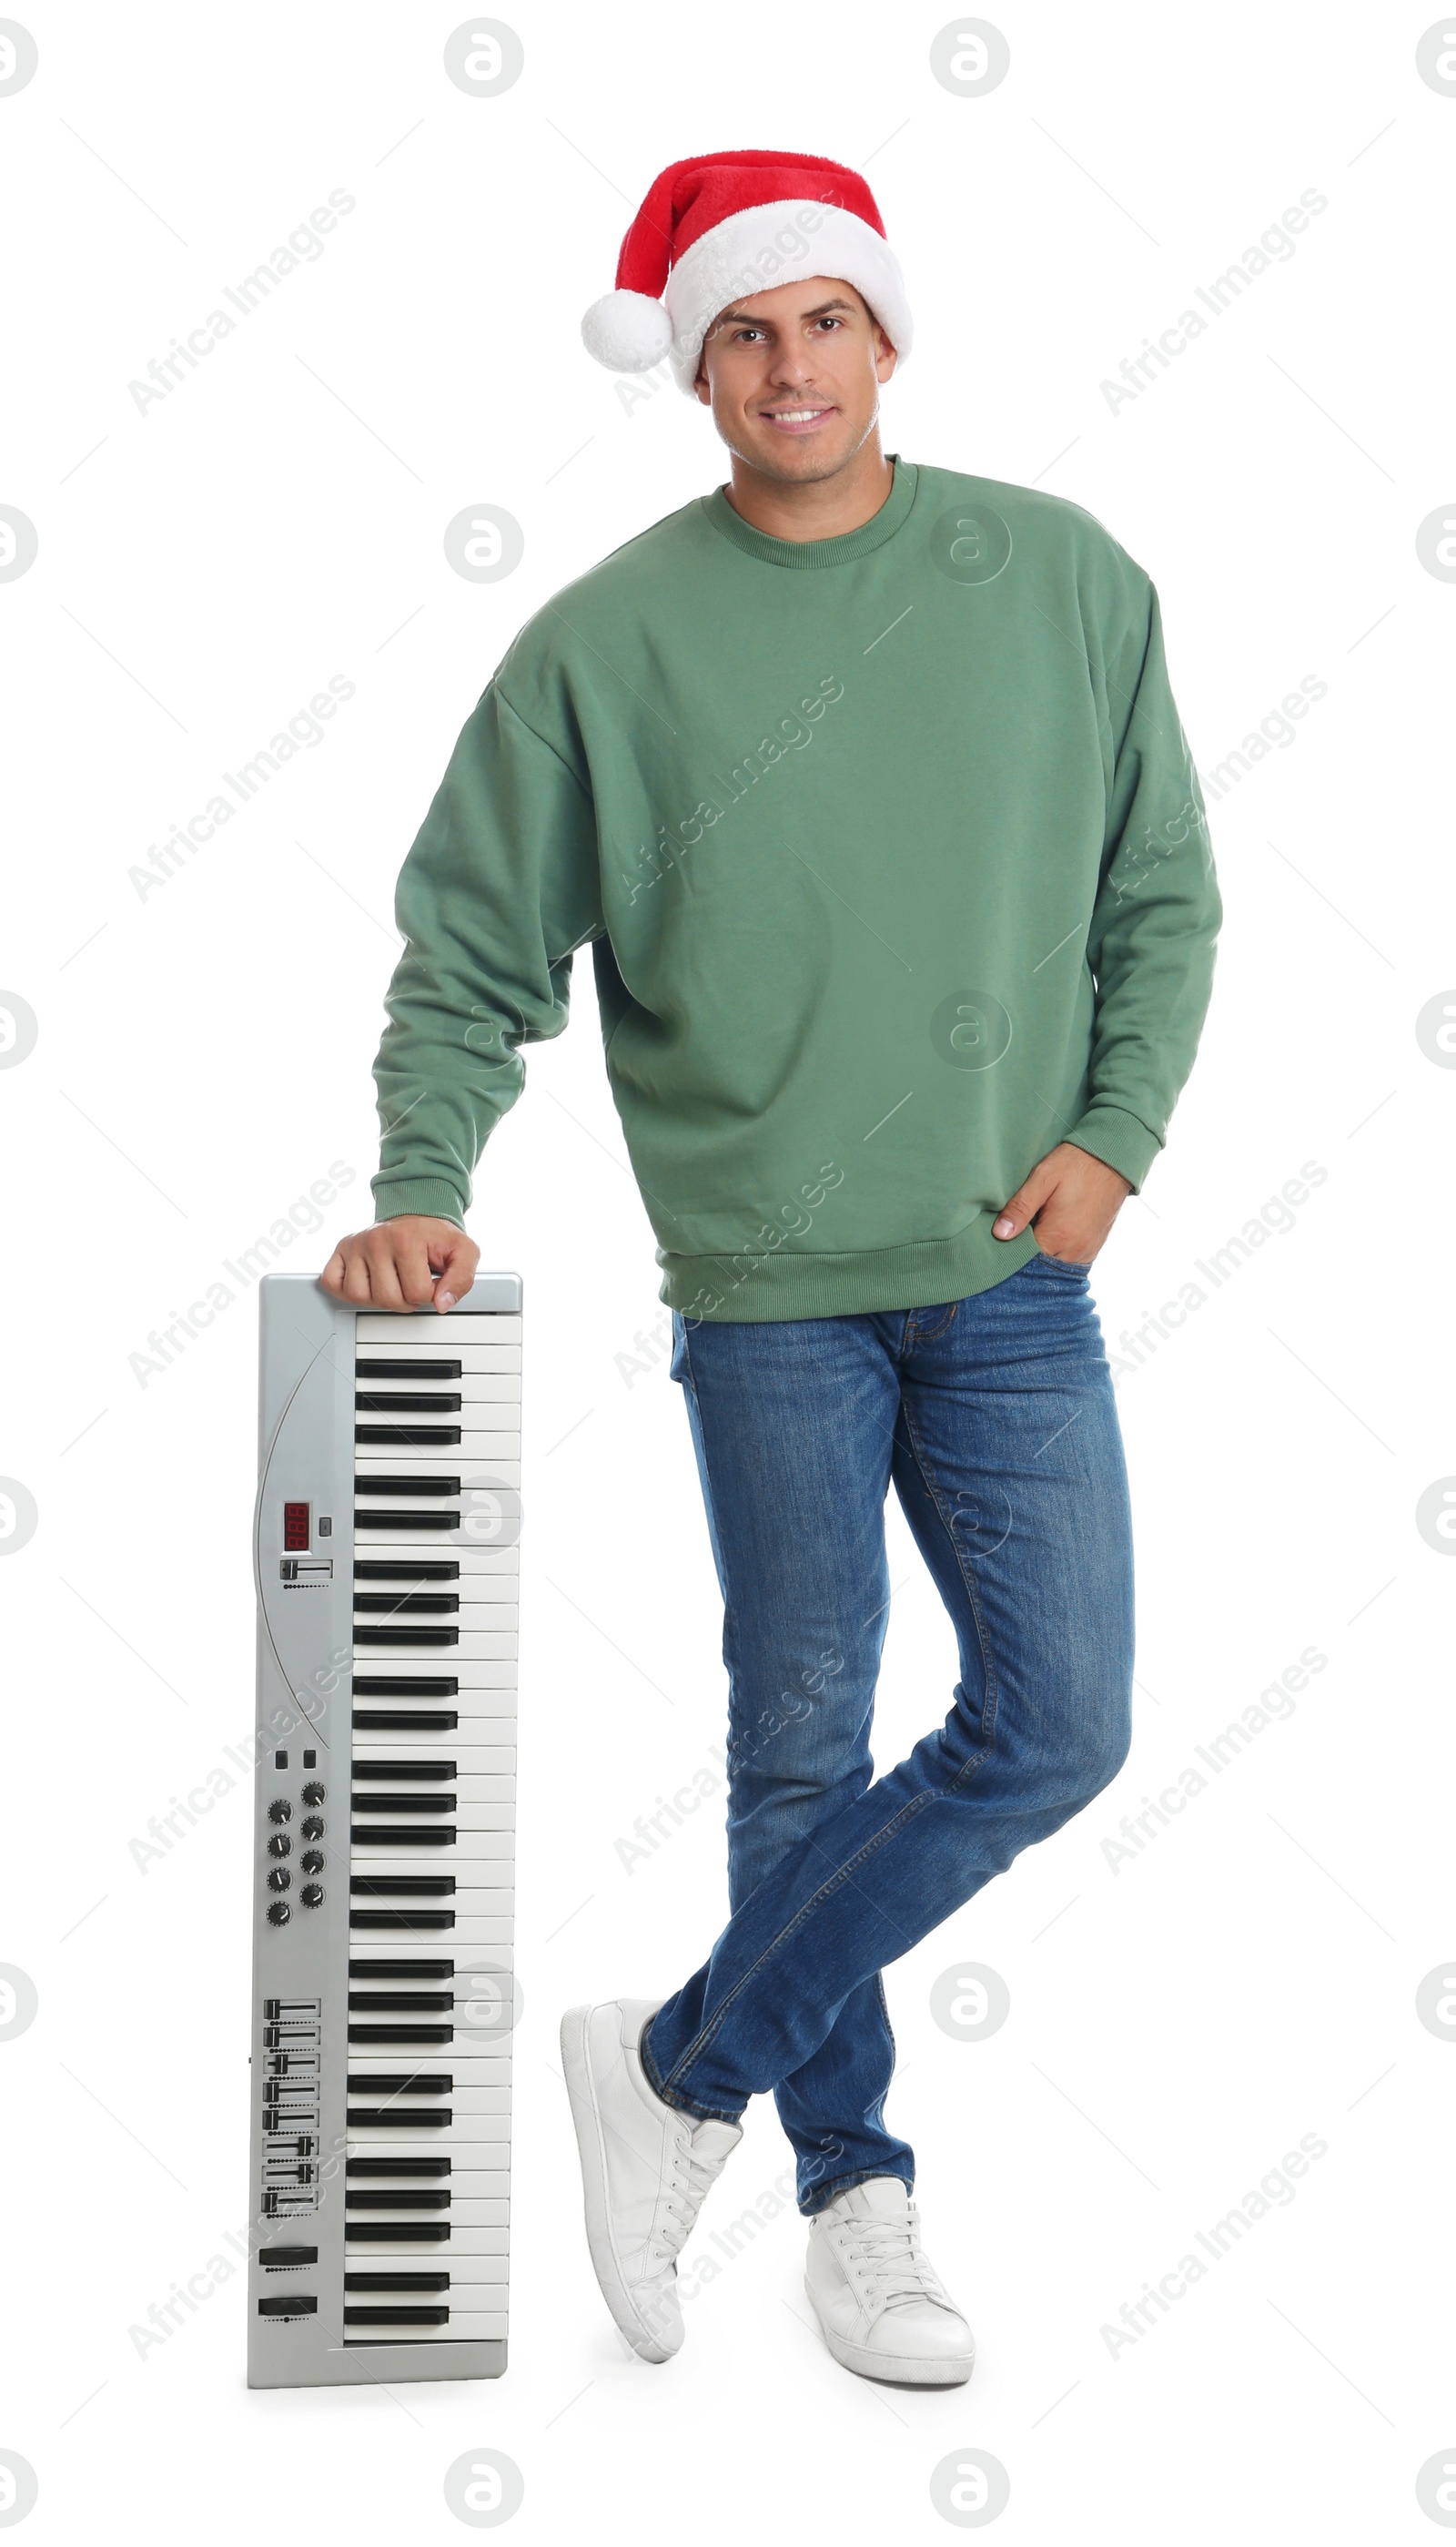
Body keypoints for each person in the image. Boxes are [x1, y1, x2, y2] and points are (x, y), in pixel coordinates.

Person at [322, 147, 1221, 2388]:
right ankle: (856, 2190)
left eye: (822, 320)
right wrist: (421, 1169)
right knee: (799, 1742)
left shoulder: (1060, 575)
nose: (786, 365)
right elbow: (465, 951)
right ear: (691, 367)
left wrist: (1114, 1136)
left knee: (1058, 1722)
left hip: (1011, 1267)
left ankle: (676, 2067)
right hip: (759, 1284)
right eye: (741, 330)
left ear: (885, 339)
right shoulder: (604, 645)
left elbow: (1162, 898)